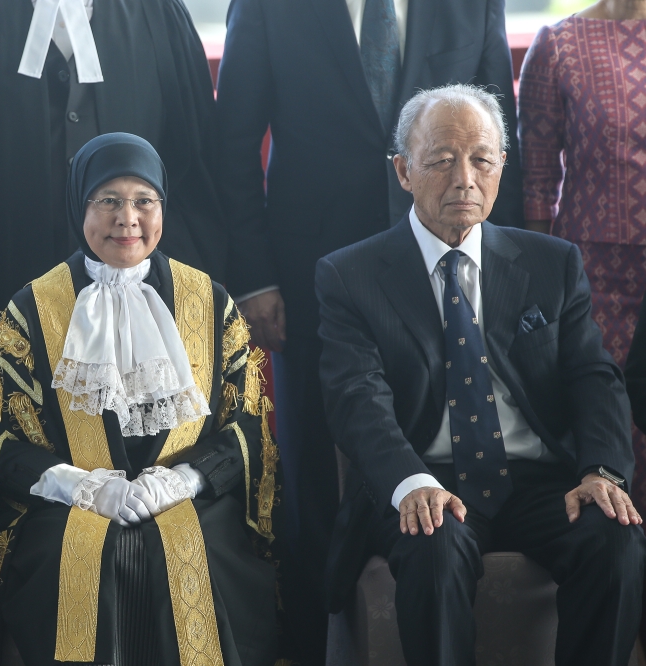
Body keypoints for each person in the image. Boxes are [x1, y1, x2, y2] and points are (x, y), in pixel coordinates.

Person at [214, 2, 523, 658]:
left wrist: (505, 278)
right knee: (314, 472)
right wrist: (255, 277)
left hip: (449, 261)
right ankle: (311, 643)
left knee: (441, 449)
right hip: (308, 273)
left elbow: (504, 142)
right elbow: (233, 140)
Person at [318, 83, 645, 665]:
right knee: (432, 545)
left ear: (501, 168)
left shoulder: (552, 263)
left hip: (536, 480)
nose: (464, 177)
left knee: (614, 539)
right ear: (403, 171)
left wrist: (601, 470)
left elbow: (594, 378)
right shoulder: (351, 276)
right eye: (442, 160)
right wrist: (411, 483)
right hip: (423, 477)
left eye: (482, 159)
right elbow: (356, 399)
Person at [0, 0, 226, 549]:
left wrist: (188, 305)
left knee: (141, 506)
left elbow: (195, 157)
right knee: (8, 495)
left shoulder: (156, 11)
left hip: (138, 305)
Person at [0, 133, 281, 665]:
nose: (126, 218)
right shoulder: (32, 308)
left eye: (144, 201)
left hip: (192, 502)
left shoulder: (211, 301)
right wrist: (80, 487)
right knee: (95, 555)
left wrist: (186, 478)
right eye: (107, 200)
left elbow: (248, 424)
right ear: (79, 206)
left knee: (187, 553)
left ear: (163, 208)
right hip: (68, 509)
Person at [519, 0, 646, 512]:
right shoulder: (557, 44)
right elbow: (536, 183)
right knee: (602, 421)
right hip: (592, 278)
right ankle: (614, 565)